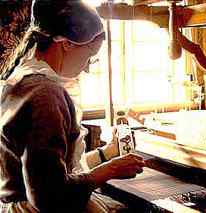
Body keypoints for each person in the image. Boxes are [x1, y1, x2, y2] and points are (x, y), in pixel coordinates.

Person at [0, 0, 145, 212]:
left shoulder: (20, 79)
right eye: (89, 56)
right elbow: (48, 196)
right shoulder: (45, 94)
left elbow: (49, 170)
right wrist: (110, 169)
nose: (86, 68)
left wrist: (107, 153)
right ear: (66, 43)